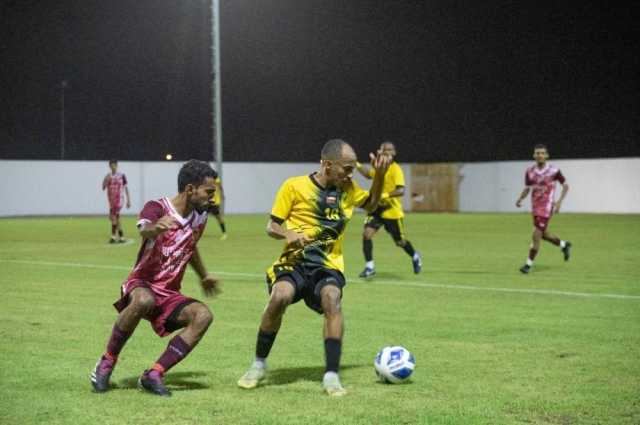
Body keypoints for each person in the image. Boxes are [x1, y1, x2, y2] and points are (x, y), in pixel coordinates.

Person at [237, 139, 391, 396]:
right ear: (328, 165)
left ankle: (331, 376)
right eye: (347, 168)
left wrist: (381, 176)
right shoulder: (294, 186)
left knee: (332, 299)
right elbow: (272, 226)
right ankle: (258, 364)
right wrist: (288, 234)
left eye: (353, 169)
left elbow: (372, 205)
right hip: (294, 262)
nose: (351, 174)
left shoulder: (348, 189)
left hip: (328, 266)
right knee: (280, 296)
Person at [91, 159, 222, 396]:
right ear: (190, 189)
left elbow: (189, 246)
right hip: (142, 283)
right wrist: (157, 228)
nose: (212, 197)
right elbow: (144, 229)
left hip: (169, 293)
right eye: (209, 192)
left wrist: (204, 276)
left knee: (203, 316)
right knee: (143, 301)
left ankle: (153, 374)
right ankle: (107, 362)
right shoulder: (158, 207)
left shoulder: (200, 218)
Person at [355, 142, 422, 278]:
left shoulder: (396, 169)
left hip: (391, 211)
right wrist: (355, 163)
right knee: (366, 234)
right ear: (381, 152)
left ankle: (415, 256)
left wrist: (385, 195)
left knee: (399, 242)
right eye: (385, 150)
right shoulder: (380, 168)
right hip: (376, 209)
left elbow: (401, 190)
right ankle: (370, 267)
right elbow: (368, 174)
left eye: (390, 150)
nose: (387, 152)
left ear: (394, 153)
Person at [516, 144, 572, 274]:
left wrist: (559, 202)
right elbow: (527, 188)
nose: (540, 155)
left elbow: (566, 186)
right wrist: (520, 198)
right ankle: (564, 245)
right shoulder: (529, 171)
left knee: (536, 235)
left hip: (547, 208)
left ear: (546, 155)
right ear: (534, 155)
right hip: (535, 207)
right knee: (544, 235)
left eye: (542, 153)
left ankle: (528, 265)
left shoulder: (554, 171)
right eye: (537, 153)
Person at [102, 159, 131, 243]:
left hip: (119, 199)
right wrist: (105, 180)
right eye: (111, 165)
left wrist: (128, 200)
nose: (113, 167)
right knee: (114, 218)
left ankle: (113, 237)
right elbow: (103, 188)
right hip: (111, 200)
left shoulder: (122, 175)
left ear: (117, 165)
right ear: (109, 166)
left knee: (114, 216)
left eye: (114, 165)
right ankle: (121, 236)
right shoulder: (108, 176)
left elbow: (126, 188)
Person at [208, 175, 228, 240]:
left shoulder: (215, 177)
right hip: (206, 200)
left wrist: (222, 194)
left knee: (218, 217)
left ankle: (224, 233)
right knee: (199, 216)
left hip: (214, 201)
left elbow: (220, 186)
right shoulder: (203, 177)